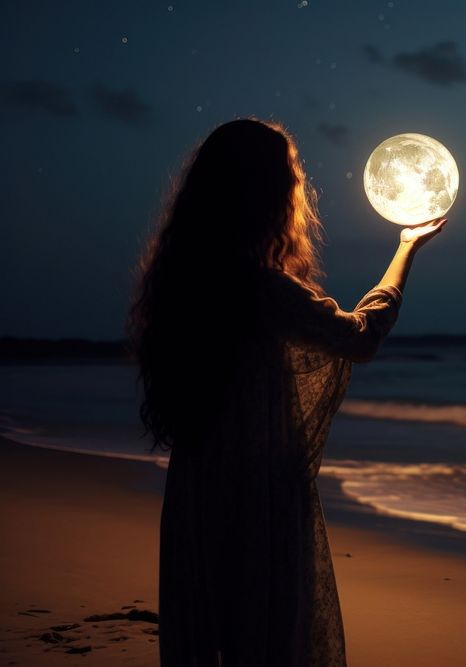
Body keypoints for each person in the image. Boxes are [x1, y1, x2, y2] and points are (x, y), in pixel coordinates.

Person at [126, 118, 446, 666]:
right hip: (258, 492)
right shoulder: (262, 289)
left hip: (198, 483)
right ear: (267, 195)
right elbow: (357, 338)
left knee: (211, 629)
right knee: (266, 634)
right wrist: (407, 249)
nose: (298, 190)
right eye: (291, 179)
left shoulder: (187, 285)